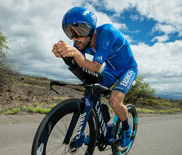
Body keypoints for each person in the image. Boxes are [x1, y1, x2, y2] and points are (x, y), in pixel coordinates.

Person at [52, 7, 138, 147]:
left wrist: (75, 53)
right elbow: (83, 69)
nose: (75, 38)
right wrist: (64, 55)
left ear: (91, 29)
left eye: (79, 31)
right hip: (111, 69)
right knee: (92, 88)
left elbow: (95, 67)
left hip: (128, 69)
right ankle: (101, 120)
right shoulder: (80, 42)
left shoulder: (106, 33)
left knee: (115, 101)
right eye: (70, 32)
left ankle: (126, 127)